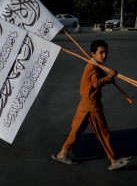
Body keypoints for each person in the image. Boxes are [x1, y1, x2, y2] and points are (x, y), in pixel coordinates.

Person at [52, 40, 131, 170]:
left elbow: (100, 80)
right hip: (92, 105)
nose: (104, 55)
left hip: (85, 103)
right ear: (93, 54)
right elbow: (95, 83)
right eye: (101, 52)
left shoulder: (95, 64)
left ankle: (62, 154)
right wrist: (108, 78)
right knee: (103, 132)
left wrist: (109, 78)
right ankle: (114, 160)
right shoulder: (93, 67)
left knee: (76, 130)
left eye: (106, 52)